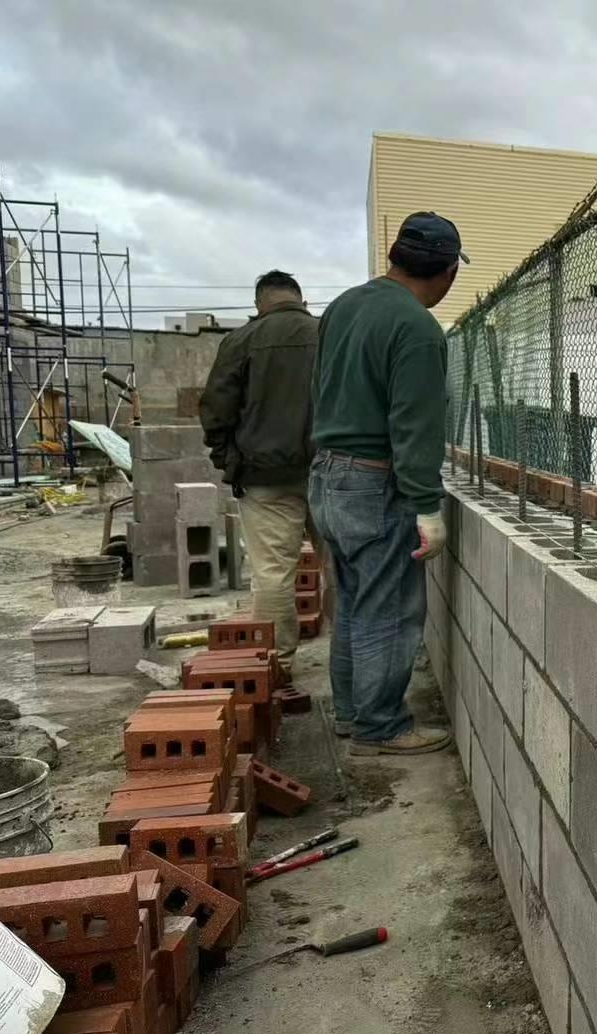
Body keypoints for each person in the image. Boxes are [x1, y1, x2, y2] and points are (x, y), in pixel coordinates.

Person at [308, 212, 466, 756]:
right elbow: (414, 425)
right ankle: (381, 725)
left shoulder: (344, 306)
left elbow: (323, 389)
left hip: (328, 473)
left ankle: (353, 714)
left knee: (353, 601)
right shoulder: (418, 329)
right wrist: (426, 506)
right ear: (445, 272)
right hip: (375, 483)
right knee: (390, 609)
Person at [200, 269, 318, 673]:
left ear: (259, 304)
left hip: (263, 477)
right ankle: (350, 663)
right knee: (344, 569)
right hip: (330, 473)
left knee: (272, 574)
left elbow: (216, 411)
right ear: (302, 299)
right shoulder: (329, 335)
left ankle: (278, 665)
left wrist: (229, 462)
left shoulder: (240, 341)